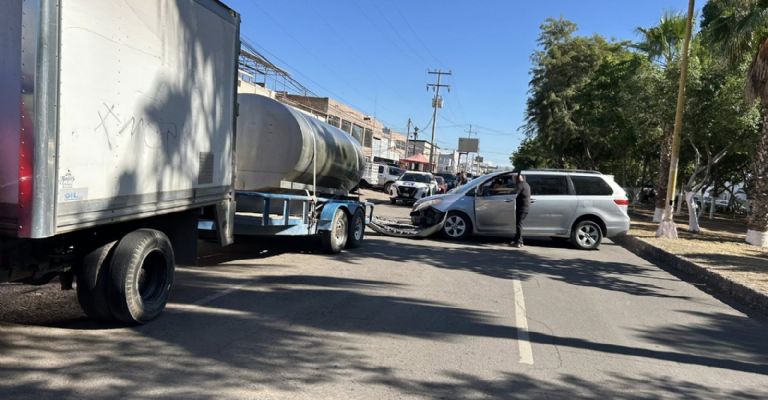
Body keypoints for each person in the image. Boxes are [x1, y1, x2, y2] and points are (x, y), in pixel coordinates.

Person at [510, 173, 530, 248]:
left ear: (517, 179)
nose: (514, 180)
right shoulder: (526, 184)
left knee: (519, 224)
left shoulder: (520, 185)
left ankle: (519, 242)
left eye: (514, 178)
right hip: (525, 207)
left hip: (521, 207)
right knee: (518, 224)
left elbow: (514, 194)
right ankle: (517, 240)